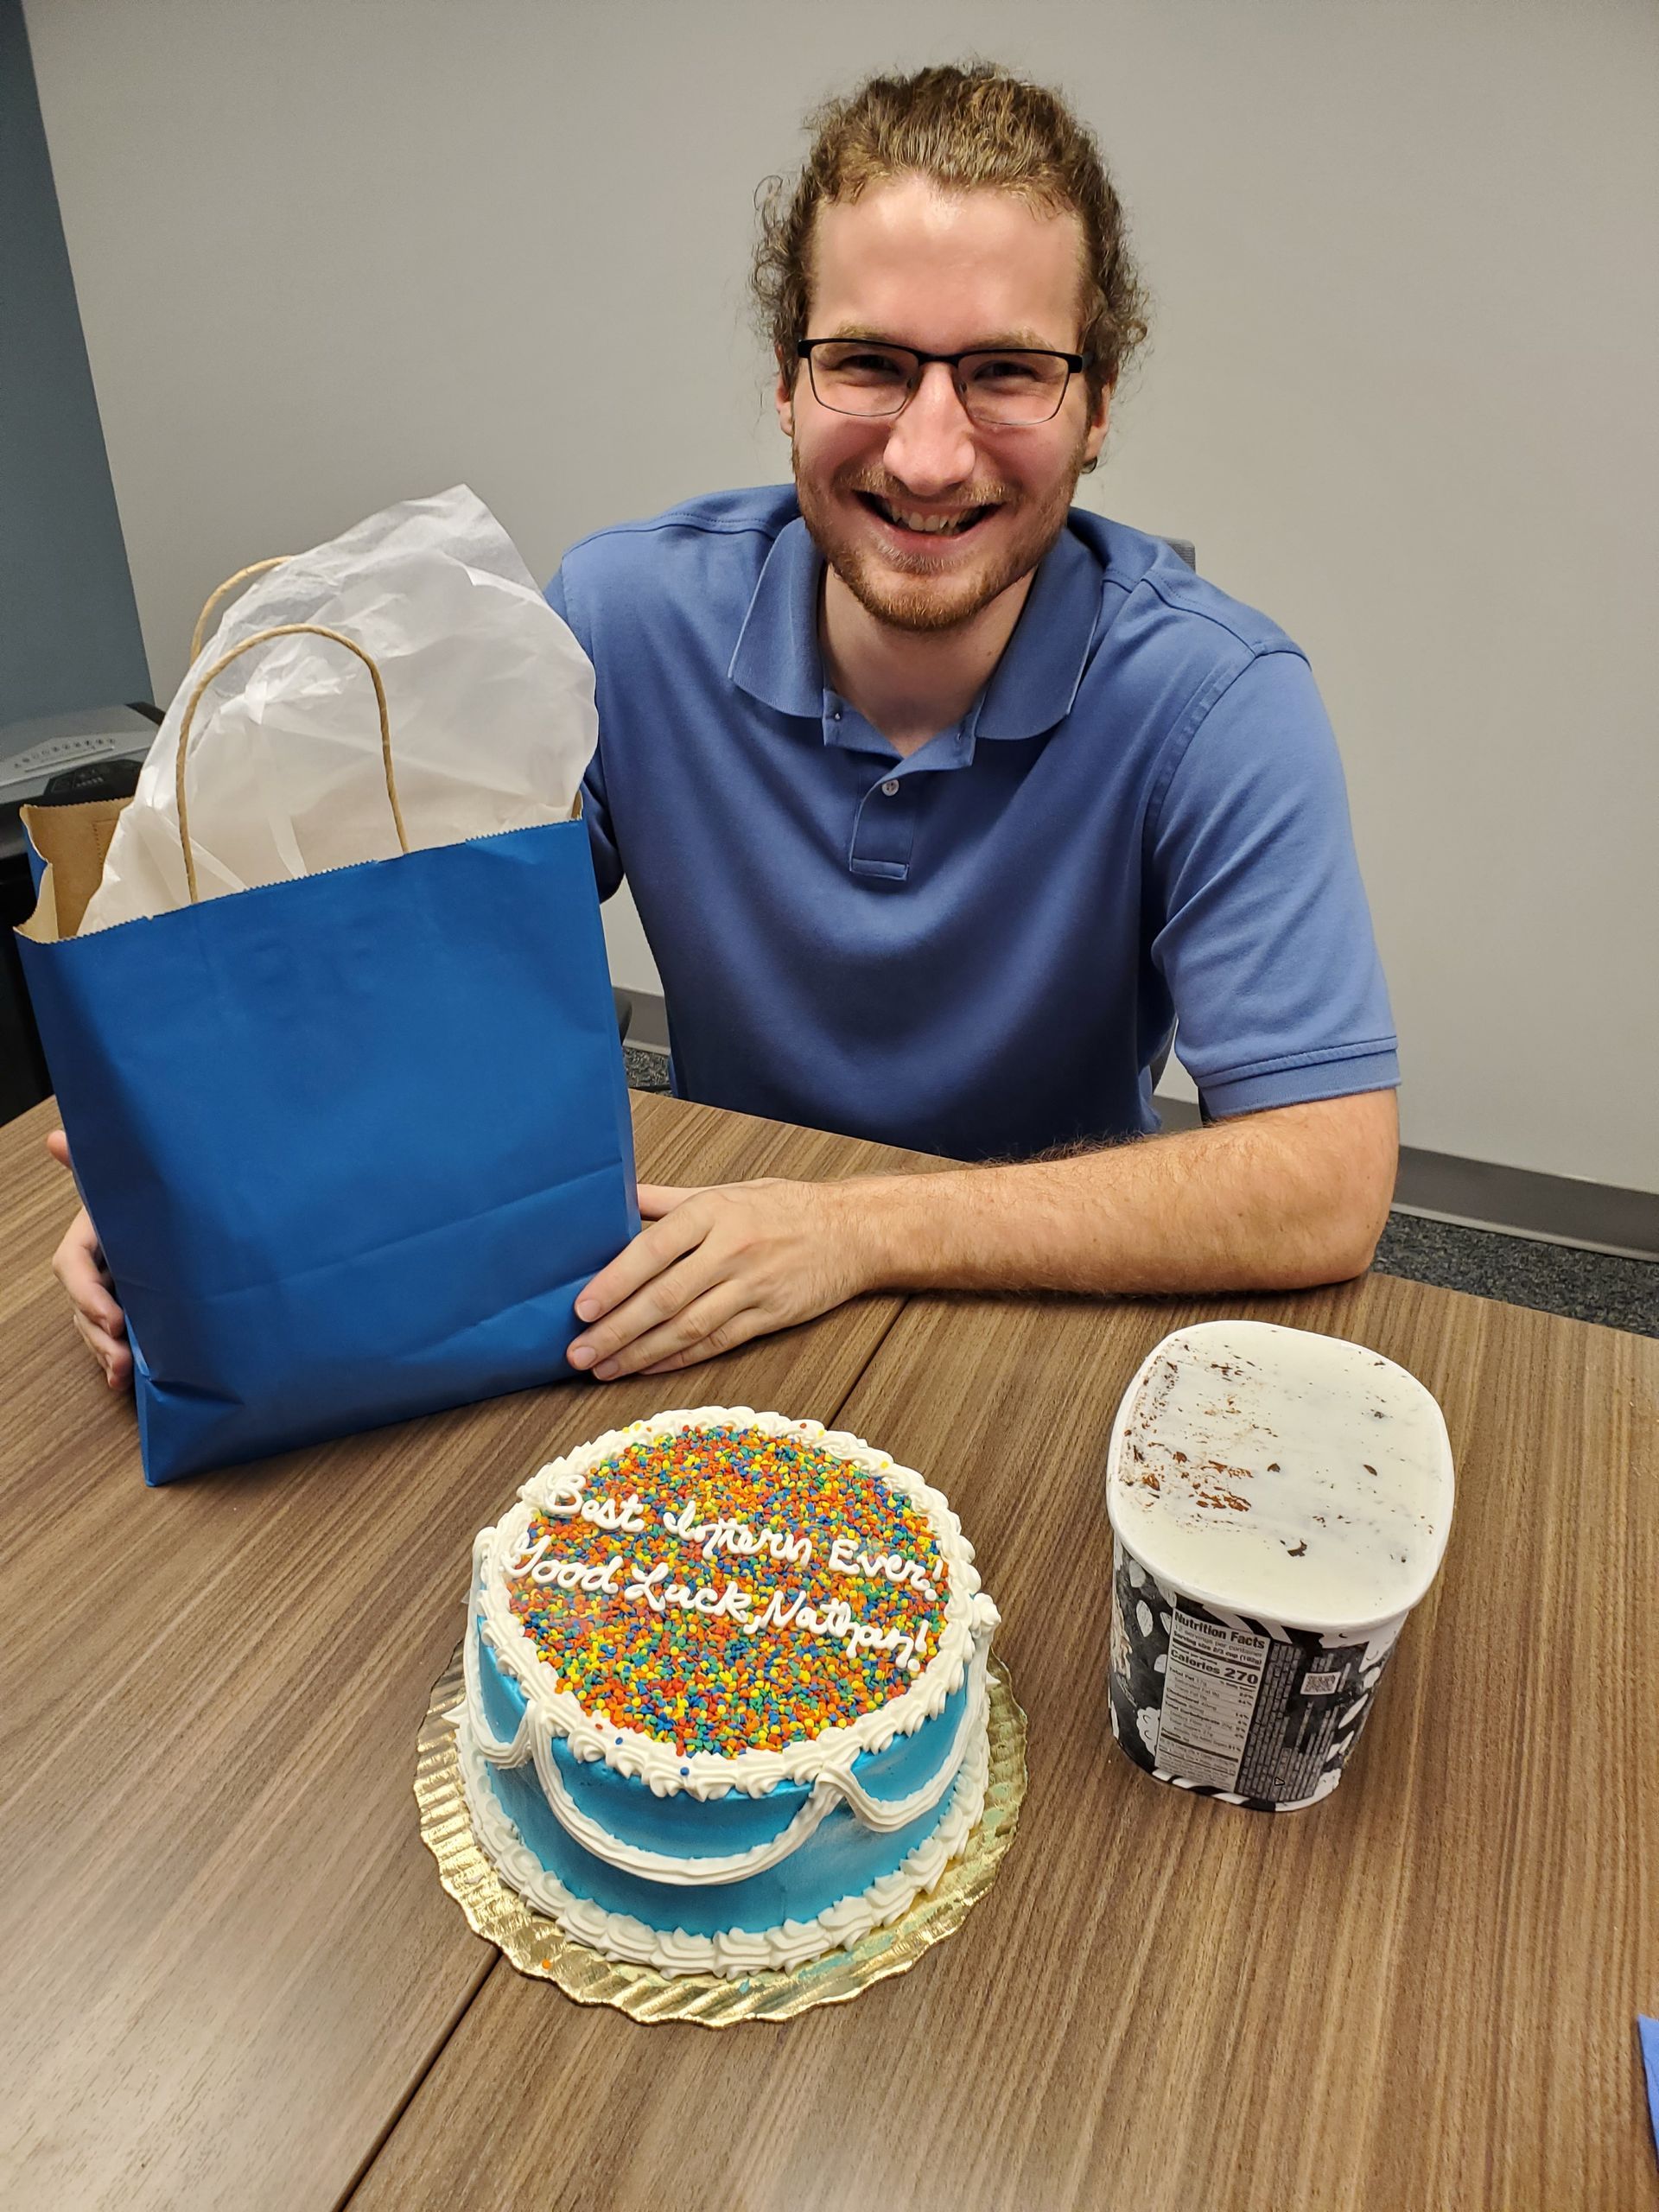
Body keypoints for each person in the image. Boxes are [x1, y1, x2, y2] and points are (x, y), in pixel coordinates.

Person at [51, 61, 1399, 1399]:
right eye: (868, 363)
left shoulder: (1220, 700)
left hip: (1046, 1311)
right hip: (706, 1282)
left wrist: (857, 1231)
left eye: (1007, 373)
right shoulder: (624, 615)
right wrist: (207, 1165)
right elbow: (409, 964)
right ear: (786, 382)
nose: (929, 456)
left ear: (1097, 406)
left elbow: (1324, 1182)